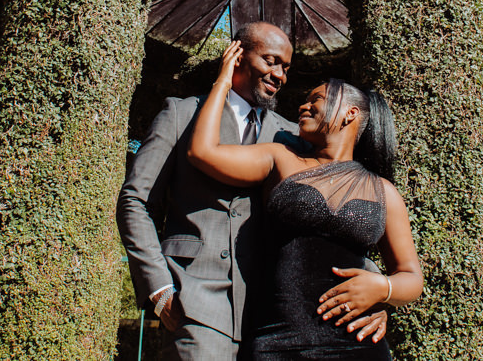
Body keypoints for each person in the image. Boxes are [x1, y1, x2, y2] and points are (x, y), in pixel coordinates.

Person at [117, 22, 387, 360]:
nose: (280, 75)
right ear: (237, 55)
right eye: (271, 61)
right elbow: (136, 202)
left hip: (276, 316)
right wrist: (158, 288)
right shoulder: (181, 114)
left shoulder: (294, 137)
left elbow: (327, 219)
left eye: (286, 68)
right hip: (195, 303)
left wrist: (372, 290)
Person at [188, 40, 423, 359]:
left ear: (350, 113)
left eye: (317, 99)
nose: (303, 106)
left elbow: (411, 276)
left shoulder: (383, 191)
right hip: (278, 339)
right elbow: (202, 152)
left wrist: (383, 289)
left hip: (356, 341)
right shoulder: (280, 158)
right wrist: (224, 82)